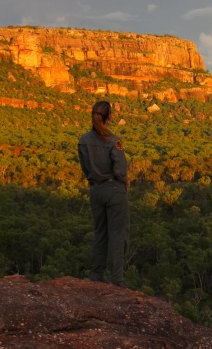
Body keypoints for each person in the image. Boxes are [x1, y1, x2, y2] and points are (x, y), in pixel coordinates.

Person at [78, 100, 129, 287]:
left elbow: (85, 167)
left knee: (100, 232)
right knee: (117, 235)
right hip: (114, 190)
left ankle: (96, 275)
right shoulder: (114, 141)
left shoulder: (83, 141)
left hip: (96, 190)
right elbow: (121, 171)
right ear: (109, 117)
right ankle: (117, 280)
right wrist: (125, 182)